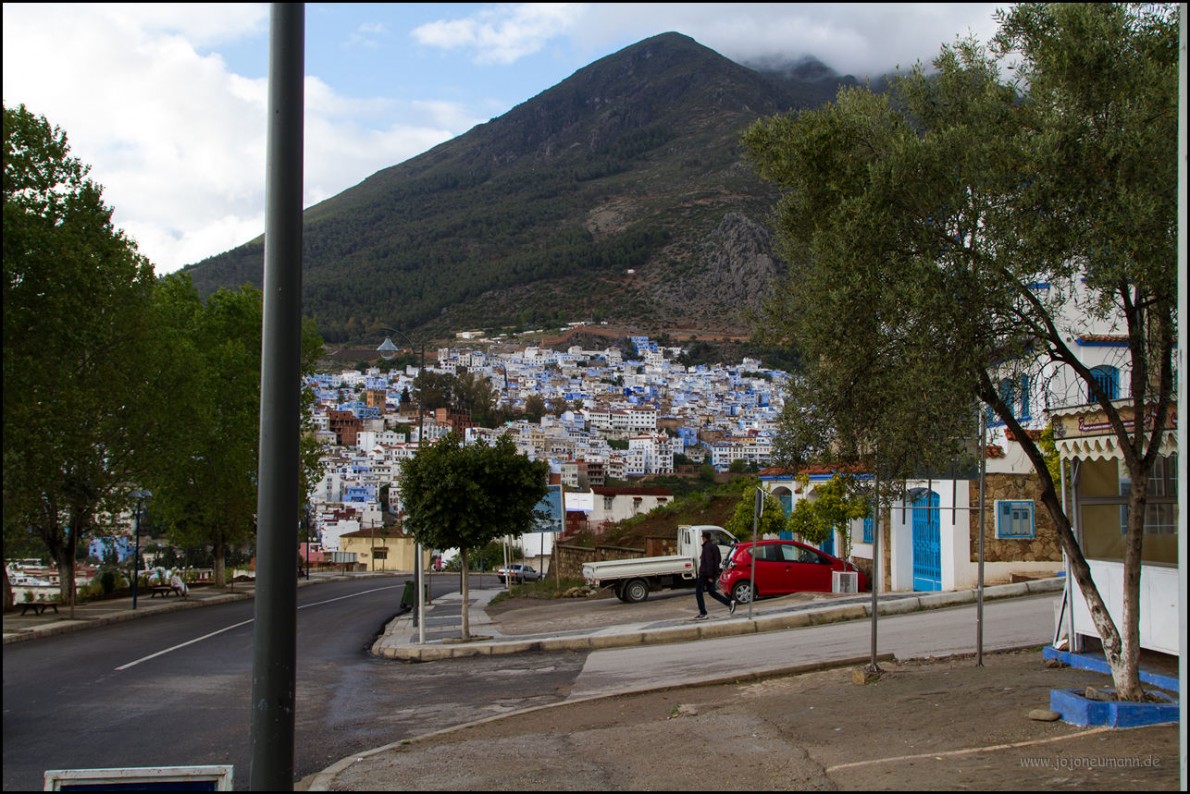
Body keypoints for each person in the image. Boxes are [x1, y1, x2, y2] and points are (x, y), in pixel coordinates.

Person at [693, 530, 735, 620]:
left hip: (705, 574)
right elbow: (718, 560)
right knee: (712, 592)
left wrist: (710, 576)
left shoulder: (707, 547)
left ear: (704, 538)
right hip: (710, 573)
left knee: (698, 592)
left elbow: (709, 562)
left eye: (702, 537)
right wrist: (713, 574)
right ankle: (729, 603)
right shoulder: (714, 547)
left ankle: (703, 613)